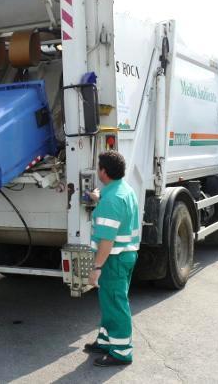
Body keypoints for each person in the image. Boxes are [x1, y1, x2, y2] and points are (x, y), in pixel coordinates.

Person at [83, 151, 139, 367]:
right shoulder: (122, 190)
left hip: (113, 259)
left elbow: (106, 241)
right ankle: (106, 341)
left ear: (103, 171)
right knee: (109, 301)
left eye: (98, 168)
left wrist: (97, 267)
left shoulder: (112, 199)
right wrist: (99, 198)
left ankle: (122, 351)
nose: (97, 171)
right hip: (125, 256)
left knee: (116, 303)